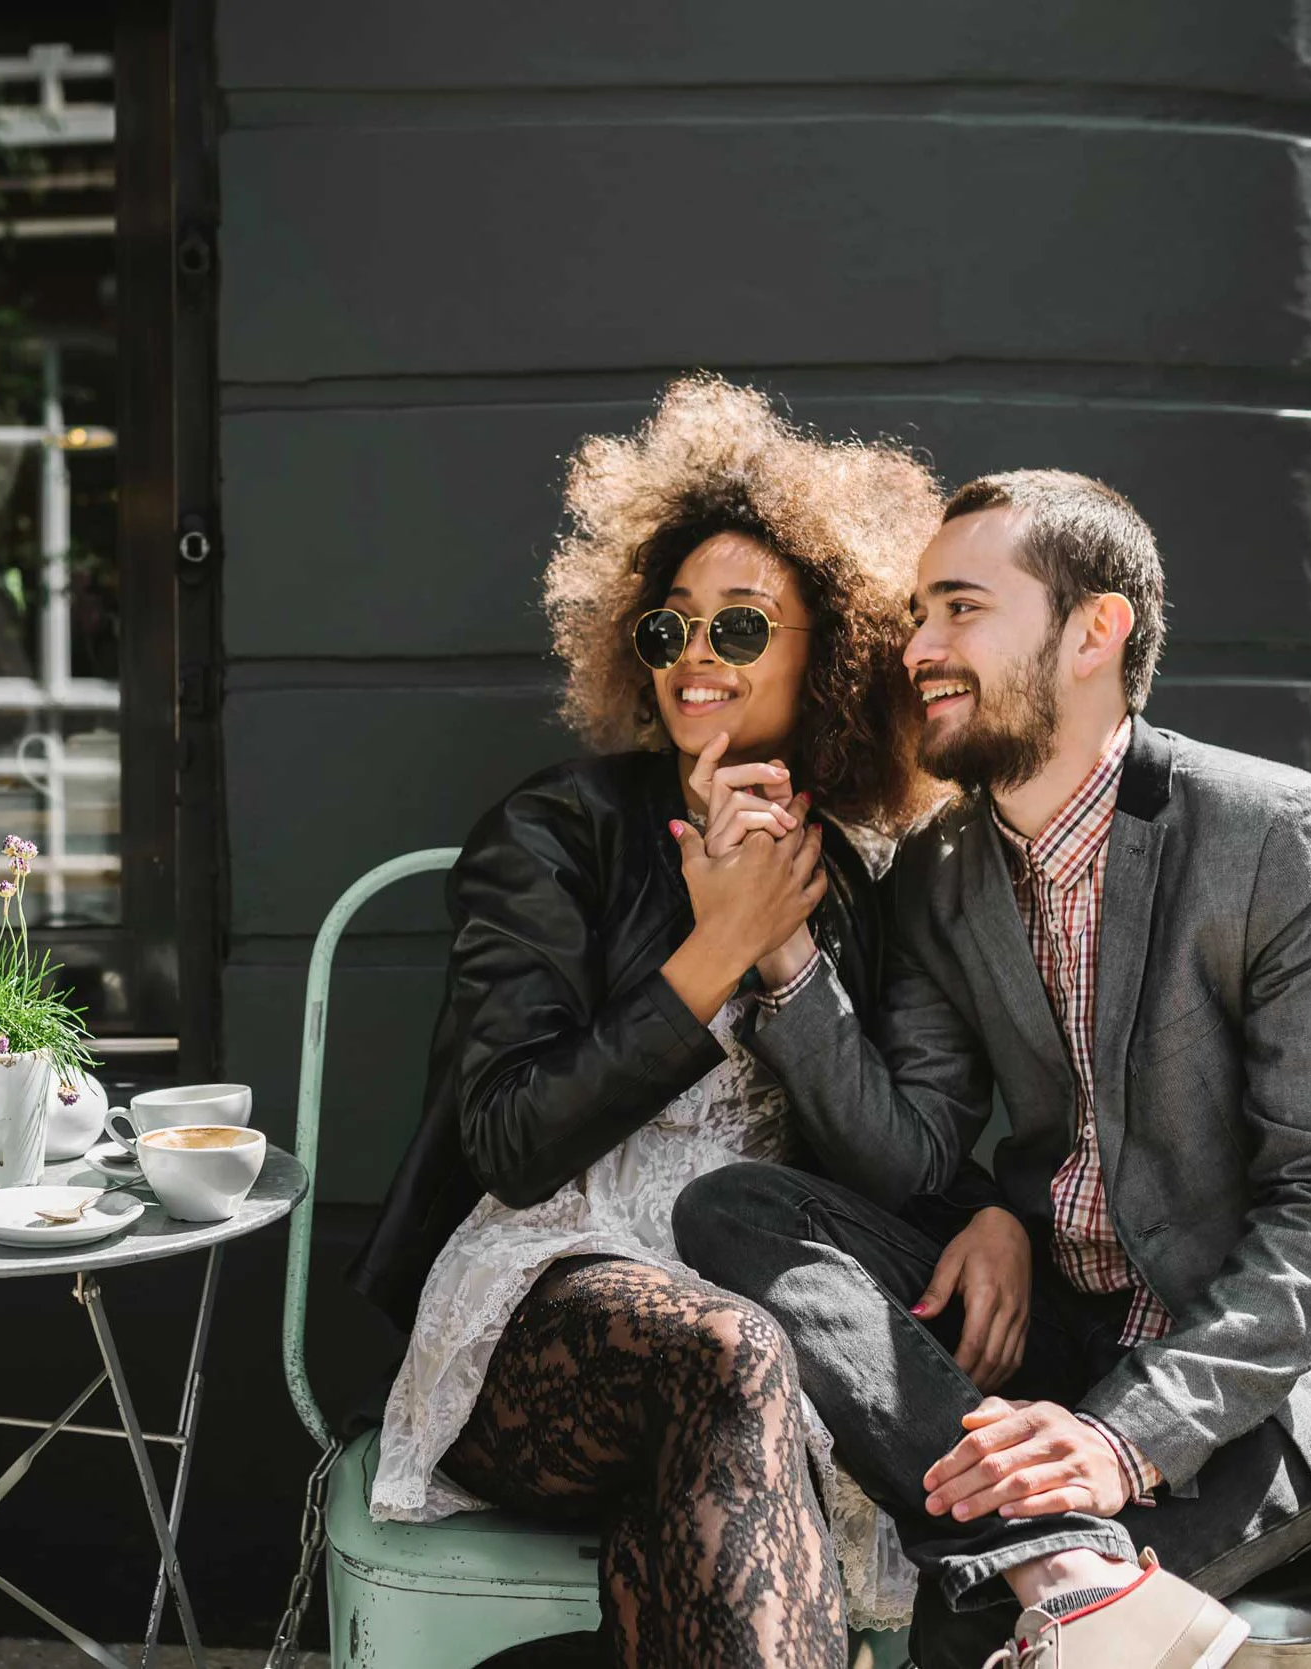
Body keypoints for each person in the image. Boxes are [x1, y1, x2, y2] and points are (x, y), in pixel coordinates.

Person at [674, 469, 1311, 1669]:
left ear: (1095, 630)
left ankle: (1050, 1565)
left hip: (1266, 1371)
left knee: (972, 1623)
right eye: (917, 615)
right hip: (1067, 1325)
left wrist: (1127, 1436)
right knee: (734, 1207)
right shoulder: (939, 868)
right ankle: (1070, 1562)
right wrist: (778, 949)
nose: (919, 647)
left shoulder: (1277, 836)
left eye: (959, 609)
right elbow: (909, 1154)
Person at [351, 377, 1031, 1667]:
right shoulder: (554, 835)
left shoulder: (875, 880)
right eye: (668, 633)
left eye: (736, 627)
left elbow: (901, 1163)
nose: (696, 663)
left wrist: (782, 951)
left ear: (824, 648)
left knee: (740, 1379)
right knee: (728, 1356)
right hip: (547, 1305)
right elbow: (507, 1140)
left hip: (762, 1293)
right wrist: (711, 949)